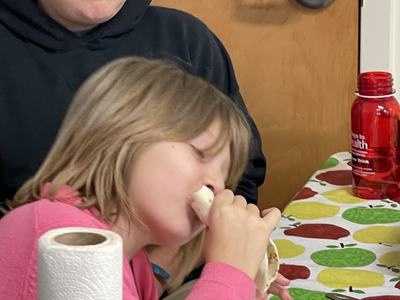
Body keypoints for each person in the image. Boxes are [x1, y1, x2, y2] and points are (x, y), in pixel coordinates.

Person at [0, 1, 292, 298]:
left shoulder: (134, 262)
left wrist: (237, 282)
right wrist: (229, 274)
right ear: (121, 138)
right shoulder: (58, 236)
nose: (217, 185)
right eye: (199, 153)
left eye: (223, 172)